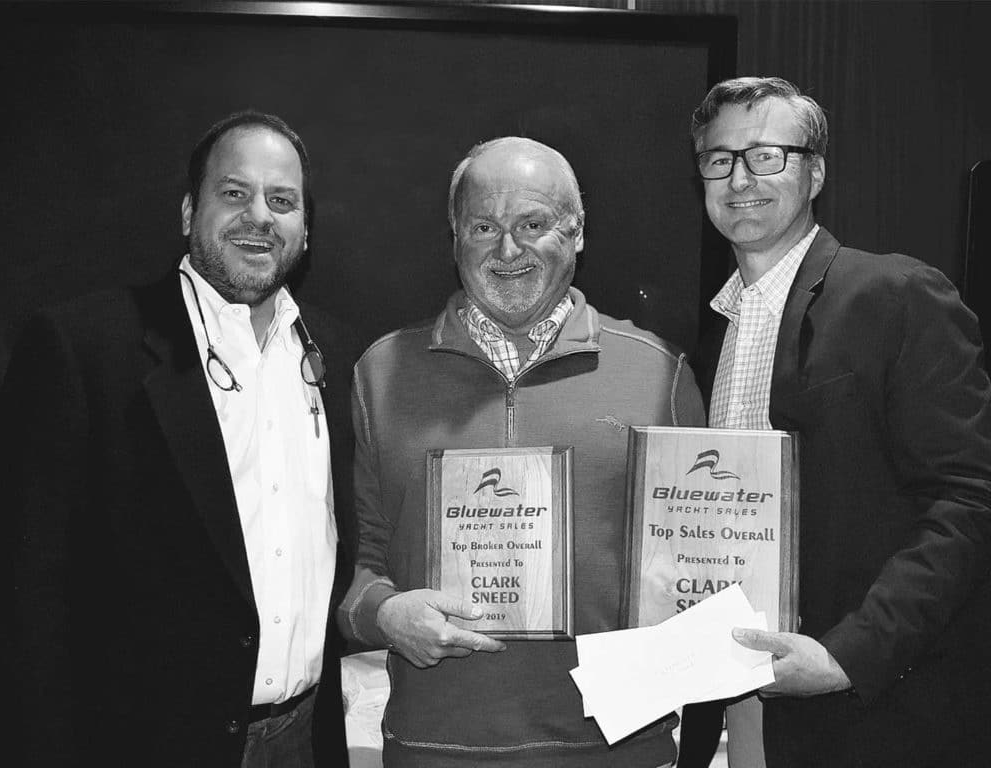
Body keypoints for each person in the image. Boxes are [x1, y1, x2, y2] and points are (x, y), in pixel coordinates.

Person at [0, 111, 360, 768]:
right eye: (233, 193)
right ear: (189, 212)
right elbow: (20, 601)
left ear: (305, 230)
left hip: (304, 739)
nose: (259, 216)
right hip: (140, 744)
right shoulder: (84, 350)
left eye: (282, 200)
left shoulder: (334, 356)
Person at [337, 136, 704, 767]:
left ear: (577, 234)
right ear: (455, 235)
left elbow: (694, 564)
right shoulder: (380, 372)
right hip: (436, 750)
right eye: (484, 226)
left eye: (533, 224)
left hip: (615, 752)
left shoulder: (659, 374)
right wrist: (383, 614)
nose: (507, 249)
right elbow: (359, 563)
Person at [681, 76, 991, 767]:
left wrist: (849, 654)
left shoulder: (898, 296)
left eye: (767, 155)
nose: (740, 178)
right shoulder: (714, 337)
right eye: (720, 158)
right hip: (741, 698)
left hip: (870, 710)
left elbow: (970, 500)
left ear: (815, 172)